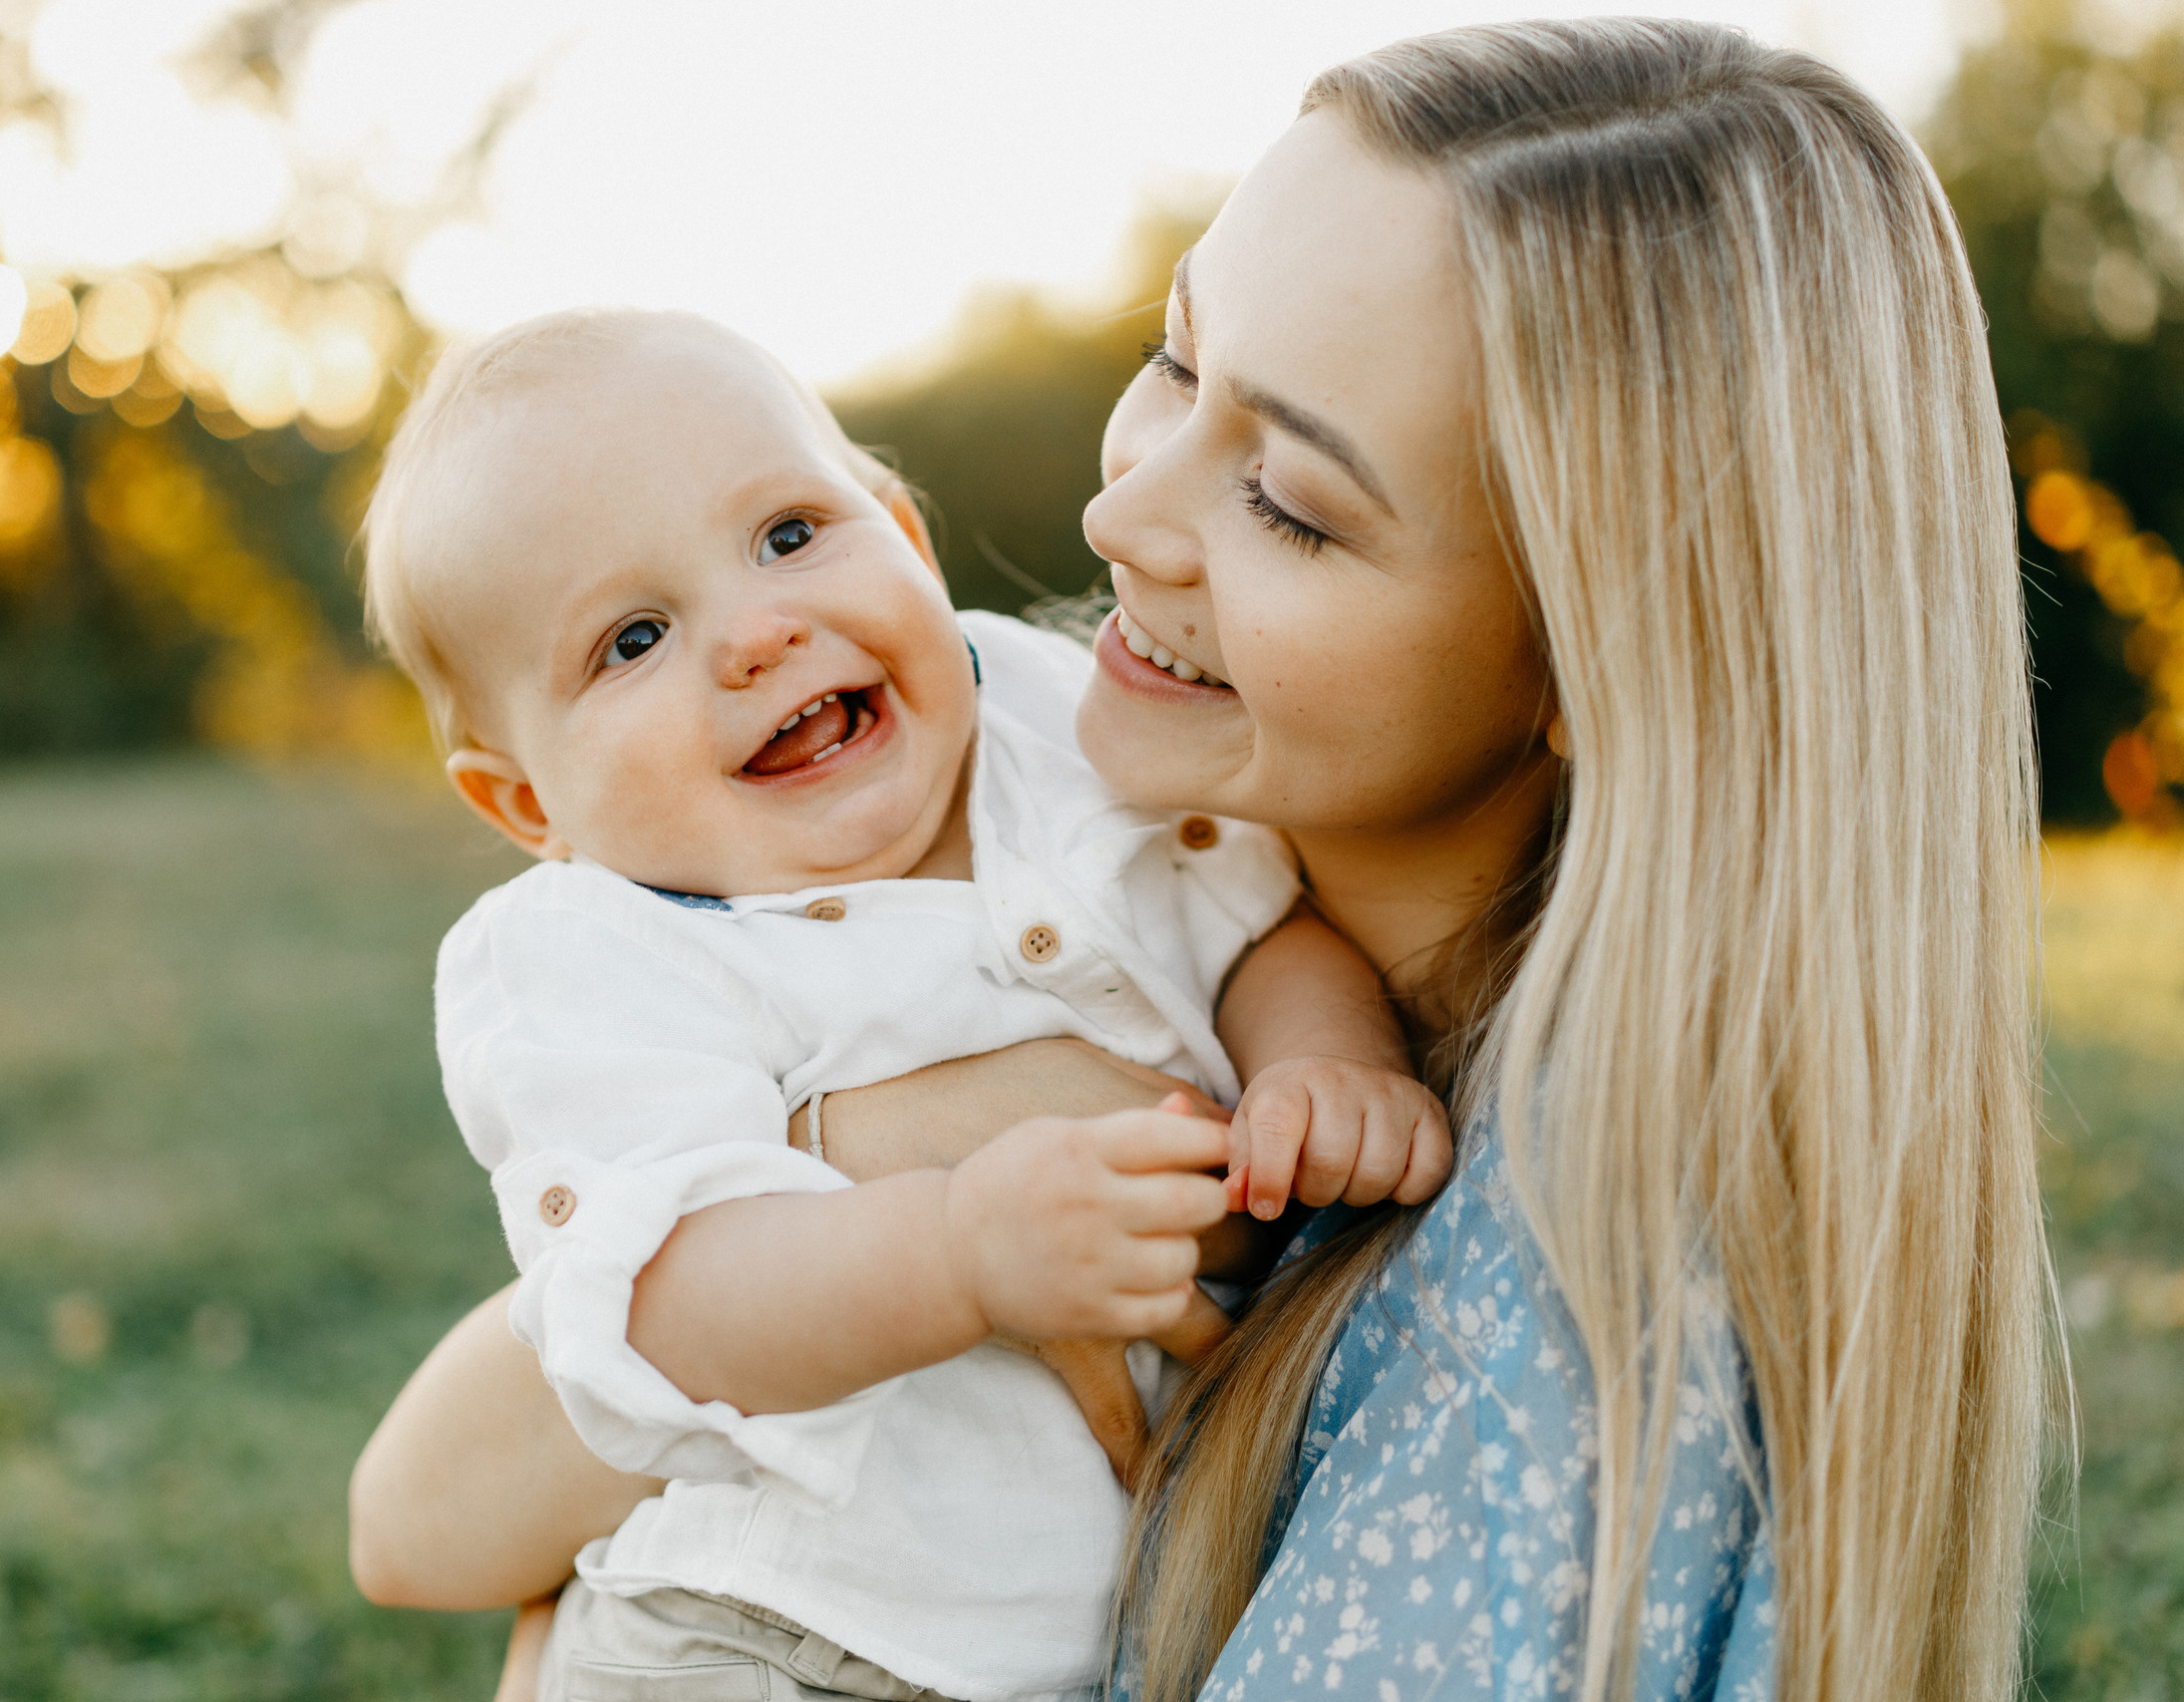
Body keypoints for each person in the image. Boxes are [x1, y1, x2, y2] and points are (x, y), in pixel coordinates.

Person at [352, 19, 2049, 1702]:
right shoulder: (822, 889)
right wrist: (902, 1153)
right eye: (1174, 358)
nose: (1118, 520)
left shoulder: (1540, 1330)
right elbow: (416, 1519)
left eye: (1292, 502)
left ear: (1594, 659)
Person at [354, 306, 1454, 1702]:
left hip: (1079, 1646)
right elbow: (667, 1301)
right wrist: (957, 1249)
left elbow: (1255, 927)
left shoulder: (1058, 723)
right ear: (528, 804)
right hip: (765, 1640)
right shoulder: (600, 960)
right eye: (632, 639)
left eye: (791, 534)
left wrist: (1321, 1057)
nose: (757, 632)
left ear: (908, 541)